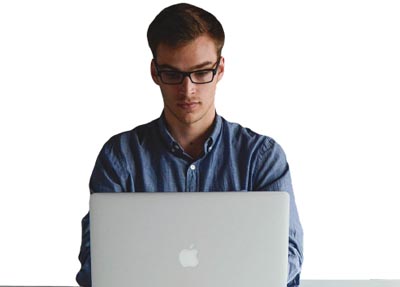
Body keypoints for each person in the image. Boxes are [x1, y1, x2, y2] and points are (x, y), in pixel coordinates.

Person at [76, 3, 304, 287]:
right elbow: (95, 264)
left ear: (219, 69)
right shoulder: (119, 157)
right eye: (172, 74)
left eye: (201, 72)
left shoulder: (261, 157)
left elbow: (287, 257)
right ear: (155, 72)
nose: (188, 90)